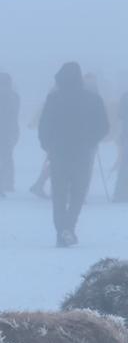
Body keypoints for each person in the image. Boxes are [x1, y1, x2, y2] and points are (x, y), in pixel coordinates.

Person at [38, 61, 109, 246]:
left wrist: (47, 145)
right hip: (83, 153)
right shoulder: (93, 99)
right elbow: (103, 126)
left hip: (59, 152)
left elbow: (44, 125)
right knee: (78, 193)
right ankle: (69, 227)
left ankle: (61, 231)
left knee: (59, 195)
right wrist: (92, 141)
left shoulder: (54, 99)